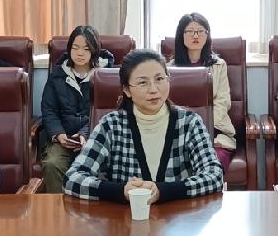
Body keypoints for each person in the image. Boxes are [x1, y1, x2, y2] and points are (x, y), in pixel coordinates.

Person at [64, 49, 223, 203]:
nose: (153, 89)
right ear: (127, 90)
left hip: (178, 217)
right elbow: (72, 178)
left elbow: (215, 176)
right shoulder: (111, 125)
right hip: (125, 217)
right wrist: (120, 191)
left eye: (159, 79)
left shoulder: (189, 123)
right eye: (142, 83)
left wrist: (164, 191)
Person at [40, 25, 114, 193]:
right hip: (64, 138)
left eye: (86, 49)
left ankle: (91, 209)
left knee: (101, 167)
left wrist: (85, 135)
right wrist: (59, 134)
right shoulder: (58, 74)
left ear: (94, 50)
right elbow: (49, 109)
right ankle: (58, 208)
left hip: (96, 138)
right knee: (52, 163)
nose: (80, 53)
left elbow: (107, 112)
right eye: (75, 48)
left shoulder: (106, 76)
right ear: (69, 48)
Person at [170, 13, 236, 171]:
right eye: (190, 31)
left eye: (200, 31)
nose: (195, 35)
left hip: (214, 132)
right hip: (180, 133)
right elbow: (170, 105)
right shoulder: (170, 68)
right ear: (181, 35)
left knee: (211, 165)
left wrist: (202, 128)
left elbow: (222, 101)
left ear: (207, 35)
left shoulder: (219, 65)